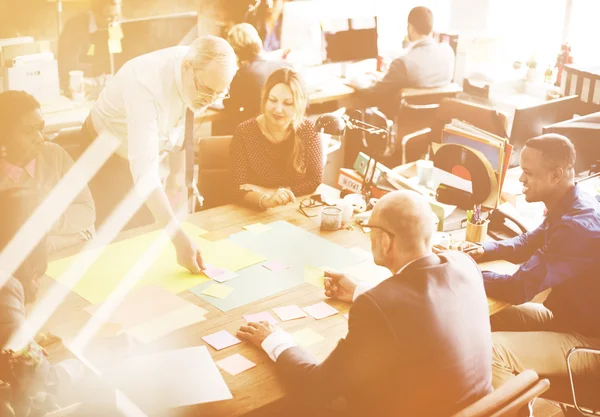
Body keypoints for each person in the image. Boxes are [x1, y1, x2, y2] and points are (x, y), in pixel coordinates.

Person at [237, 190, 493, 417]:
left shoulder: (377, 307)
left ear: (385, 241)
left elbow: (317, 387)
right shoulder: (465, 265)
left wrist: (274, 340)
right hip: (475, 407)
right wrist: (359, 290)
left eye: (371, 230)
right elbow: (423, 308)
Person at [83, 35, 237, 274]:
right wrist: (178, 237)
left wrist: (177, 173)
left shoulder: (199, 67)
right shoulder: (144, 84)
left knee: (150, 235)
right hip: (105, 154)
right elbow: (144, 174)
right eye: (207, 92)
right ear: (187, 67)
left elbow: (184, 116)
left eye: (220, 94)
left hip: (147, 152)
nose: (210, 101)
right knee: (116, 247)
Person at [467, 134, 600, 388]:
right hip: (566, 320)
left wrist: (464, 271)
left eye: (527, 172)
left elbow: (518, 289)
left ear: (556, 175)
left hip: (590, 343)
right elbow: (526, 243)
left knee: (492, 350)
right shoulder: (570, 204)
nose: (520, 179)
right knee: (477, 312)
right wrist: (482, 250)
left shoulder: (577, 226)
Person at [0, 91, 96, 254]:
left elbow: (87, 211)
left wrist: (41, 226)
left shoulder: (54, 154)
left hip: (71, 256)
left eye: (40, 129)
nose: (39, 138)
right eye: (28, 132)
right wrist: (76, 235)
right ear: (4, 137)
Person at [230, 67, 323, 210]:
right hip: (256, 212)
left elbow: (314, 180)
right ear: (265, 99)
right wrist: (266, 201)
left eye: (287, 103)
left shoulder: (309, 130)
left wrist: (270, 192)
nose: (278, 109)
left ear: (299, 105)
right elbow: (238, 188)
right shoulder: (244, 132)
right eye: (273, 100)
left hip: (295, 210)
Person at [355, 6, 455, 119]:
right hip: (432, 126)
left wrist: (357, 84)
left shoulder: (403, 63)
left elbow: (374, 95)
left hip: (401, 124)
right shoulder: (448, 52)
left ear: (410, 28)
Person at [218, 23, 287, 133]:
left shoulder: (243, 74)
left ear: (235, 51)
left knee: (223, 125)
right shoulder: (285, 66)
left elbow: (229, 107)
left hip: (258, 136)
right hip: (285, 133)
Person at [57, 0, 122, 92]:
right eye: (109, 17)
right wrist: (95, 80)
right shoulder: (74, 27)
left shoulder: (115, 25)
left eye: (117, 17)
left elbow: (118, 56)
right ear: (94, 12)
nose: (114, 22)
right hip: (83, 88)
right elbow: (67, 68)